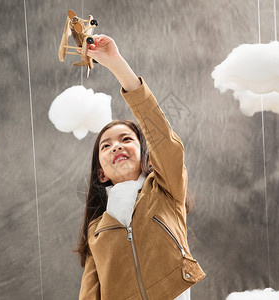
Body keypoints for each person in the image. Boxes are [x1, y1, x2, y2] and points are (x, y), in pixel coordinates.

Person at [75, 34, 206, 299]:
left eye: (126, 139)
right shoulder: (95, 231)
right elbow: (89, 294)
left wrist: (115, 63)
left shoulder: (166, 191)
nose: (116, 147)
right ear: (101, 173)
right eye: (106, 146)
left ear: (147, 157)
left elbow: (161, 135)